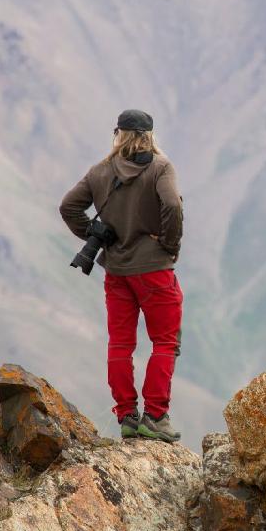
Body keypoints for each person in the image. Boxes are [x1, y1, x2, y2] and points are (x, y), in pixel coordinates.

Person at [59, 109, 184, 442]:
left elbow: (68, 206)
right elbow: (172, 205)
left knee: (121, 344)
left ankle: (127, 417)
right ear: (150, 136)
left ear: (118, 134)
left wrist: (95, 232)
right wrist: (170, 246)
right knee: (165, 342)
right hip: (155, 271)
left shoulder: (100, 171)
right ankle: (155, 416)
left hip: (116, 271)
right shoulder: (161, 168)